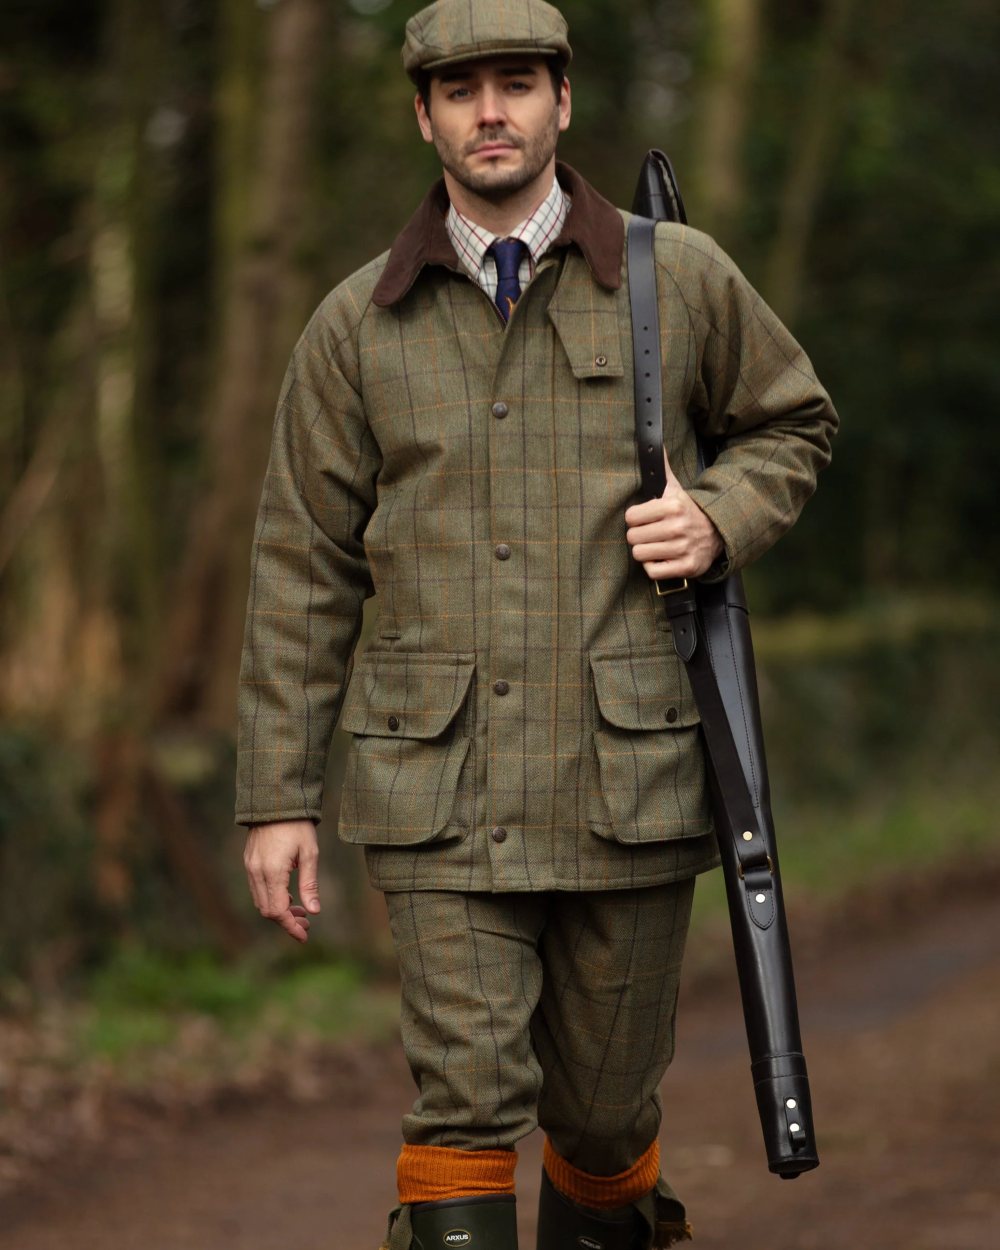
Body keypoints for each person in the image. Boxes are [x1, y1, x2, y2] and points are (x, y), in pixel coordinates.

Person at [235, 1, 838, 1246]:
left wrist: (720, 514)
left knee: (606, 1115)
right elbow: (301, 563)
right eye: (460, 91)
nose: (490, 110)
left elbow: (792, 422)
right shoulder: (357, 325)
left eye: (515, 83)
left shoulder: (683, 281)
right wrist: (277, 796)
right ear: (424, 116)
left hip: (634, 776)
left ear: (564, 100)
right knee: (464, 1101)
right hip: (436, 787)